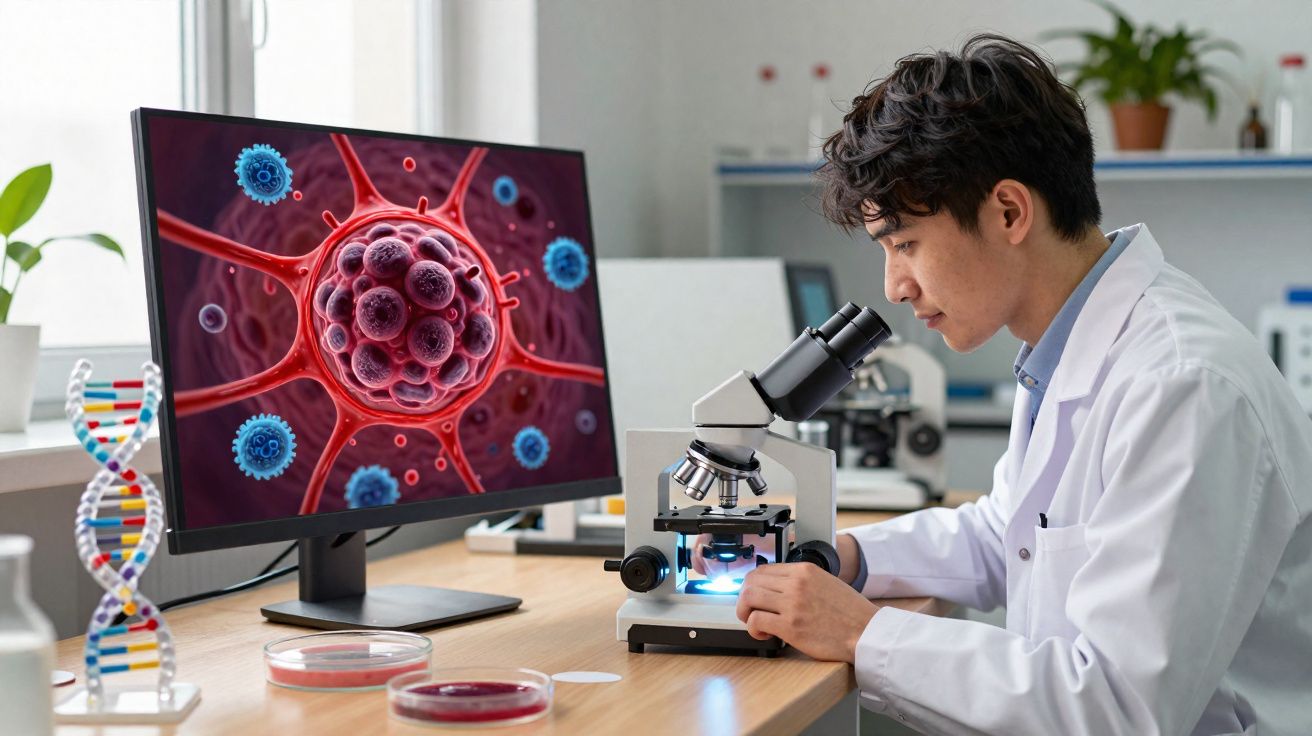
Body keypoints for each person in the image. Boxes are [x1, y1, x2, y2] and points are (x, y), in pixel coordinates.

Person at [732, 33, 1312, 734]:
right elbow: (1007, 534)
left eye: (905, 243)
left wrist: (862, 635)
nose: (894, 285)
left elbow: (1115, 709)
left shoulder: (1182, 386)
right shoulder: (1065, 346)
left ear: (1009, 211)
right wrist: (847, 559)